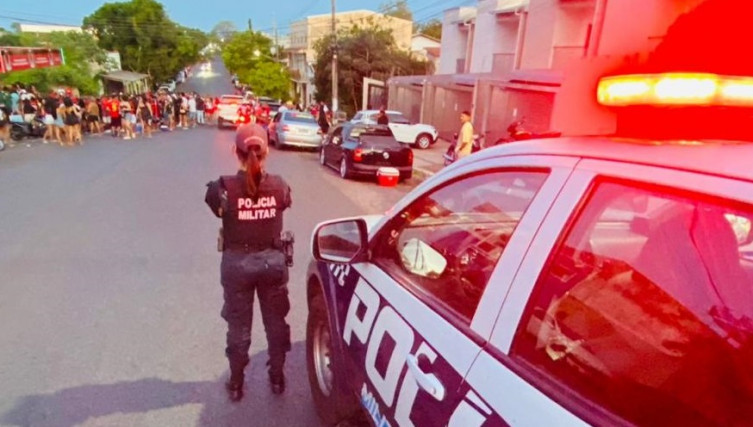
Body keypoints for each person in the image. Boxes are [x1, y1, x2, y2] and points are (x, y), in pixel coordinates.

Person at [204, 124, 293, 402]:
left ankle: (236, 383)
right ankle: (277, 378)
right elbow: (283, 202)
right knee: (276, 325)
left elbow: (218, 208)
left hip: (237, 266)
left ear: (235, 151)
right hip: (272, 264)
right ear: (267, 152)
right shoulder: (280, 185)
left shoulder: (222, 188)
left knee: (239, 328)